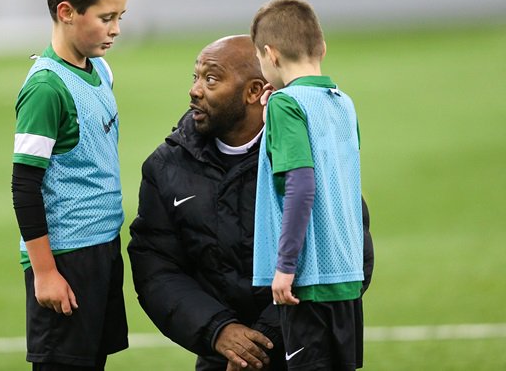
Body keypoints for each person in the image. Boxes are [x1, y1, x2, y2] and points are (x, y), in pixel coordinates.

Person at [128, 35, 374, 371]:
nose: (195, 90)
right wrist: (220, 331)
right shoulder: (166, 166)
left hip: (303, 346)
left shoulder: (308, 153)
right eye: (195, 76)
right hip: (221, 353)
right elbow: (156, 267)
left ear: (255, 92)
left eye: (211, 79)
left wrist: (259, 341)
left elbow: (349, 254)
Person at [10, 0, 134, 370]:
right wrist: (45, 272)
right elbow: (24, 186)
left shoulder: (100, 70)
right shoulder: (46, 88)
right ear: (66, 11)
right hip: (66, 258)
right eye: (106, 18)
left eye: (120, 17)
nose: (116, 29)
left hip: (102, 250)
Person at [251, 0, 367, 370]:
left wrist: (285, 265)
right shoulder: (343, 102)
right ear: (322, 47)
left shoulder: (287, 106)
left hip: (308, 281)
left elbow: (301, 184)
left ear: (270, 54)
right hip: (347, 277)